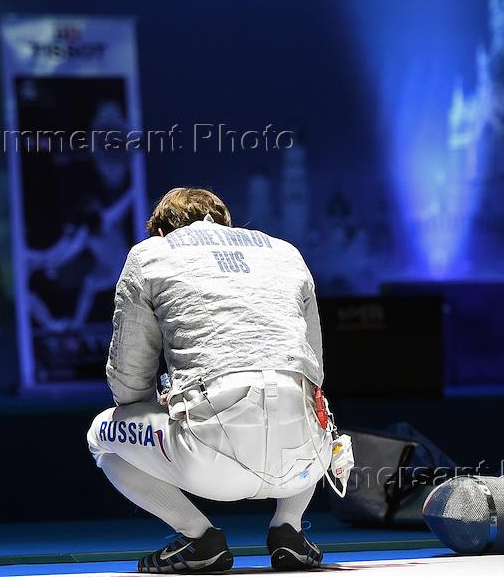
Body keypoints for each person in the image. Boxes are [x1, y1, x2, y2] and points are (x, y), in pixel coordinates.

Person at [86, 187, 352, 573]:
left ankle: (198, 537)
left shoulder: (150, 254)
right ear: (227, 224)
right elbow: (314, 370)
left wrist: (159, 408)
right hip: (303, 463)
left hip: (210, 463)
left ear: (160, 231)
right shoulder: (286, 252)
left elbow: (129, 381)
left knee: (102, 435)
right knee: (304, 400)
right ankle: (289, 528)